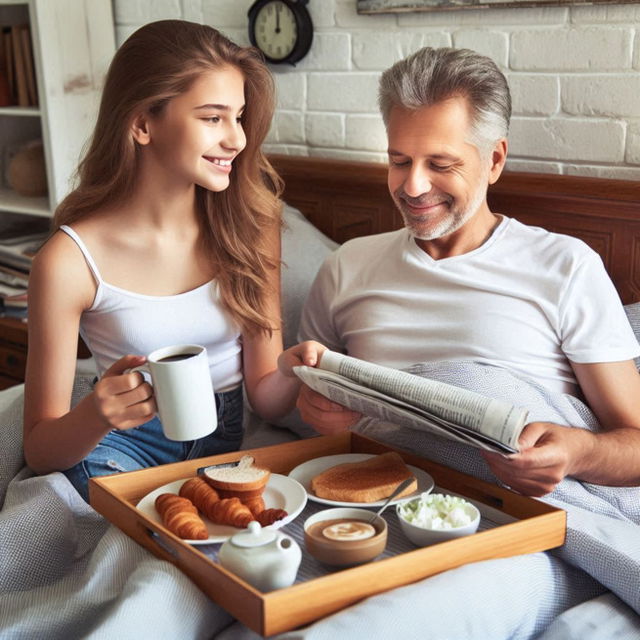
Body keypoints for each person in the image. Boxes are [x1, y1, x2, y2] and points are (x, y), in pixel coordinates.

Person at [281, 46, 640, 498]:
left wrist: (579, 451)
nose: (412, 186)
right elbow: (314, 411)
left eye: (440, 164)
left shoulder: (566, 267)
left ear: (494, 161)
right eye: (398, 161)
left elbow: (636, 443)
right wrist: (316, 408)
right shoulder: (346, 266)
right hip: (383, 502)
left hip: (513, 510)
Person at [23, 20, 309, 502]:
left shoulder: (251, 227)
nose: (237, 140)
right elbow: (40, 449)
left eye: (238, 117)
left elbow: (264, 392)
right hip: (121, 447)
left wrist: (299, 373)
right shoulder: (68, 262)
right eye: (213, 118)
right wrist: (96, 414)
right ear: (141, 124)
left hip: (227, 442)